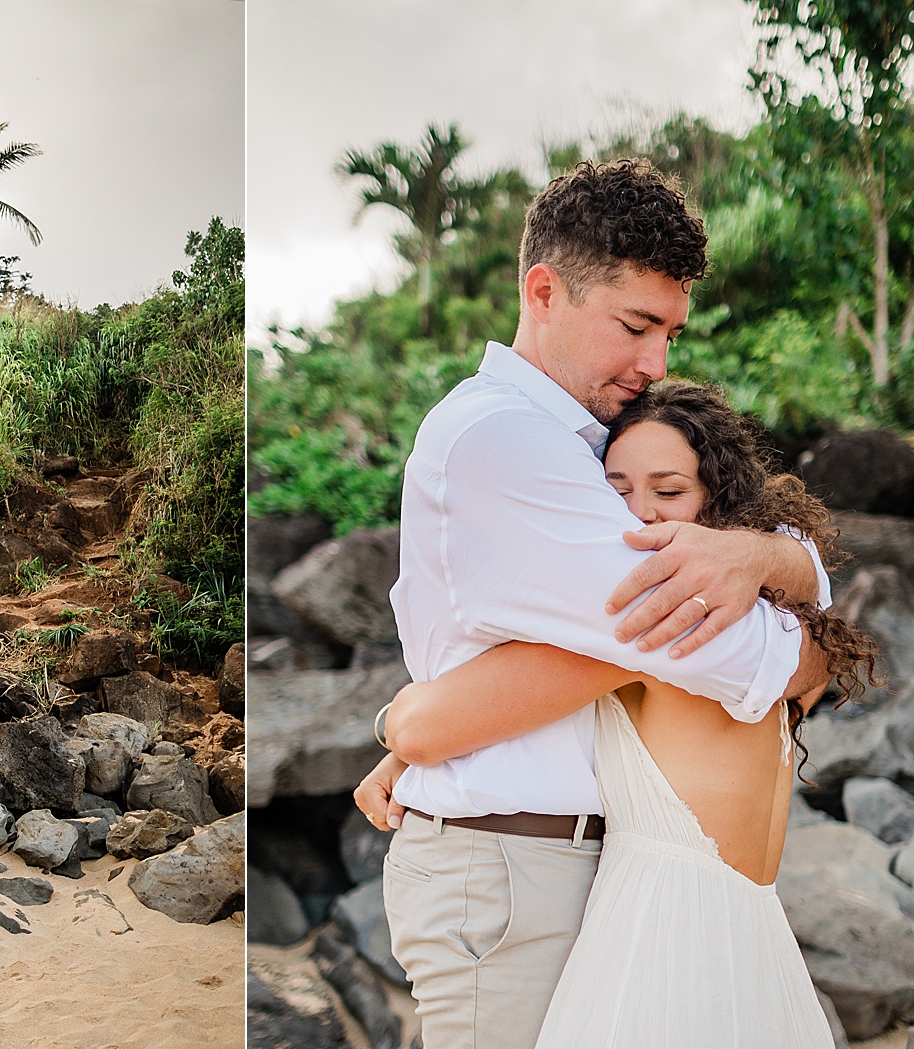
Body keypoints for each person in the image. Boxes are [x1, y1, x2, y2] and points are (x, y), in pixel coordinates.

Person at [351, 159, 832, 1049]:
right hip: (505, 866)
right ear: (544, 290)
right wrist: (797, 618)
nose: (654, 364)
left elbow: (625, 646)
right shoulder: (505, 435)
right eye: (637, 325)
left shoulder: (584, 442)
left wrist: (766, 557)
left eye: (671, 336)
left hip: (560, 866)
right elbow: (696, 640)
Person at [372, 381, 876, 1048]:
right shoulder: (778, 628)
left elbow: (421, 725)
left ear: (717, 502)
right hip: (749, 938)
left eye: (668, 492)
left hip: (657, 938)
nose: (637, 518)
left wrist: (393, 729)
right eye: (614, 492)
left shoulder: (655, 630)